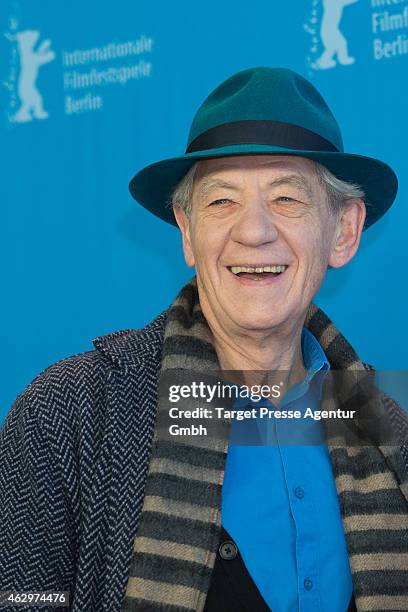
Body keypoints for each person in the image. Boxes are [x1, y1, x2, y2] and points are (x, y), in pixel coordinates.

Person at [1, 67, 407, 612]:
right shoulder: (65, 416)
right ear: (188, 233)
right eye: (221, 202)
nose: (254, 230)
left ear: (343, 231)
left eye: (287, 198)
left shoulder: (381, 425)